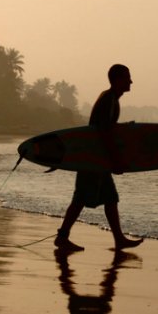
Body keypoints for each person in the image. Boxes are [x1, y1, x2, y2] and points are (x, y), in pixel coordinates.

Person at [55, 64, 143, 252]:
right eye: (127, 77)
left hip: (98, 160)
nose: (131, 81)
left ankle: (119, 239)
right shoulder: (109, 99)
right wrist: (116, 160)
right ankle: (62, 237)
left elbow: (107, 128)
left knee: (111, 198)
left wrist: (123, 129)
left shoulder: (112, 100)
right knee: (80, 199)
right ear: (117, 80)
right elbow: (104, 134)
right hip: (93, 160)